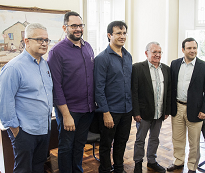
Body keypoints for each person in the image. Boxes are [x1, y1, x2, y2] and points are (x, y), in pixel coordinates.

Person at [0, 23, 53, 173]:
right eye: (39, 39)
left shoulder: (44, 65)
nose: (44, 43)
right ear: (26, 41)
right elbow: (5, 103)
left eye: (46, 40)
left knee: (38, 166)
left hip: (43, 127)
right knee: (23, 169)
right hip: (25, 131)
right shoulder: (13, 68)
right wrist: (16, 132)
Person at [47, 11, 95, 173]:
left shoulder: (88, 47)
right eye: (73, 25)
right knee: (66, 146)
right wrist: (66, 115)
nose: (78, 29)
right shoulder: (56, 52)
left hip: (87, 109)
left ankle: (77, 170)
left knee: (79, 145)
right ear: (64, 27)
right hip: (69, 110)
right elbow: (56, 86)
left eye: (80, 25)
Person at [167, 38, 205, 173]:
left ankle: (192, 166)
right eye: (189, 48)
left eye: (194, 48)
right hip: (177, 107)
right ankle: (178, 161)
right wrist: (169, 107)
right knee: (177, 138)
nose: (192, 50)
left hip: (196, 110)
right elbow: (171, 87)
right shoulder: (175, 64)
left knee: (194, 142)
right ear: (183, 50)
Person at [94, 21, 132, 173]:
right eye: (118, 33)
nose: (122, 36)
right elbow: (98, 88)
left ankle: (119, 168)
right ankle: (104, 169)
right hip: (110, 111)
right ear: (109, 35)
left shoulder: (128, 56)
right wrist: (105, 112)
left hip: (127, 109)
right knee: (106, 144)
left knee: (122, 142)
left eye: (124, 33)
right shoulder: (102, 58)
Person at [132, 42, 171, 173]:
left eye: (159, 52)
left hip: (159, 112)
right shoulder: (137, 68)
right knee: (140, 139)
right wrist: (135, 112)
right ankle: (138, 162)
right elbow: (134, 92)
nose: (157, 55)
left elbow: (168, 92)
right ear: (146, 53)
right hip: (143, 113)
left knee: (155, 138)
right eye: (154, 52)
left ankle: (152, 161)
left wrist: (166, 110)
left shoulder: (166, 69)